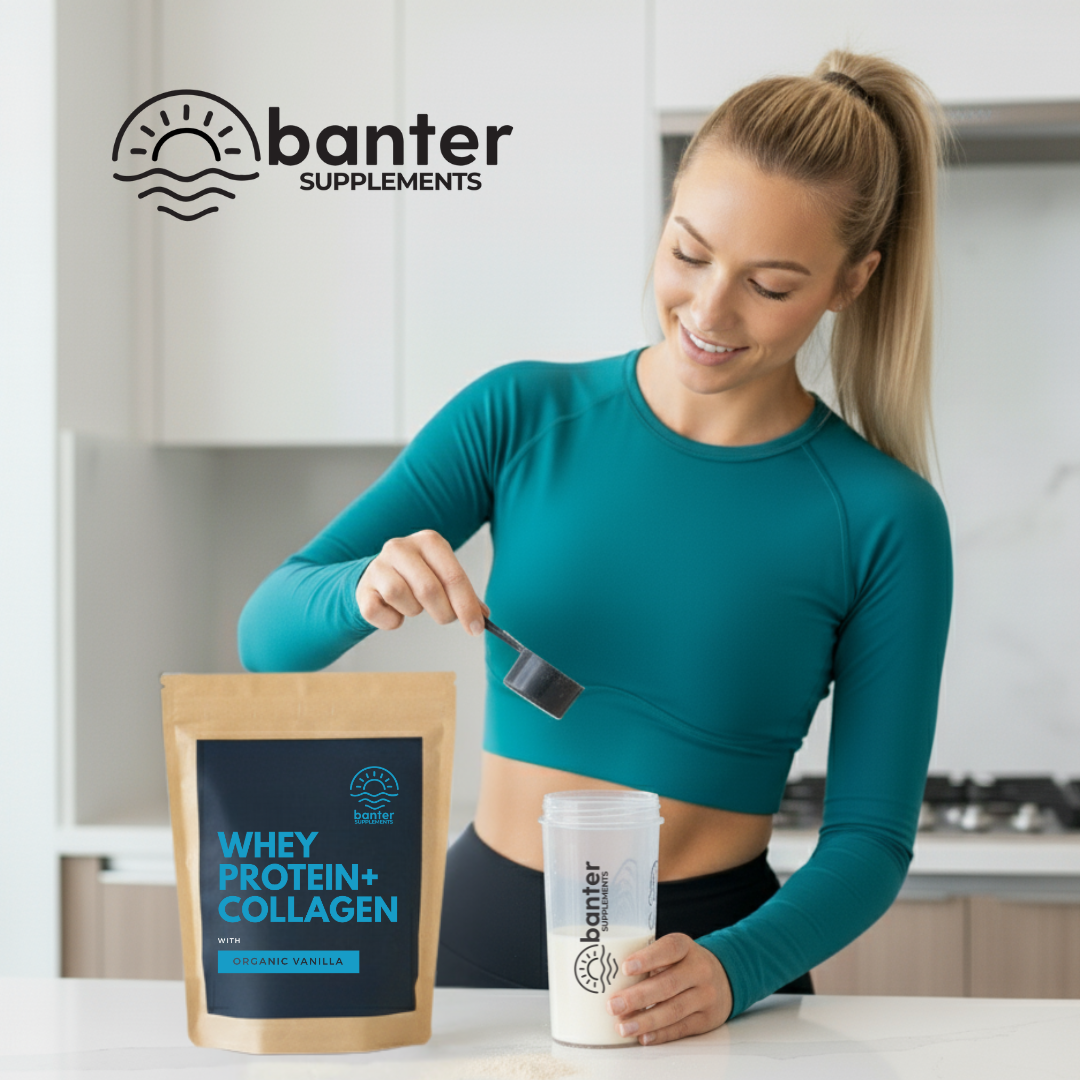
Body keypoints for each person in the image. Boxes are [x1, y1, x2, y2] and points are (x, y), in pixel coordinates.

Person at [238, 49, 952, 1044]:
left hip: (709, 972)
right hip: (471, 945)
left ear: (850, 281)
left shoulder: (884, 516)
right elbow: (267, 637)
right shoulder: (522, 414)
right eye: (689, 253)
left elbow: (872, 843)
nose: (709, 311)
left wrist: (737, 969)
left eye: (771, 285)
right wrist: (361, 587)